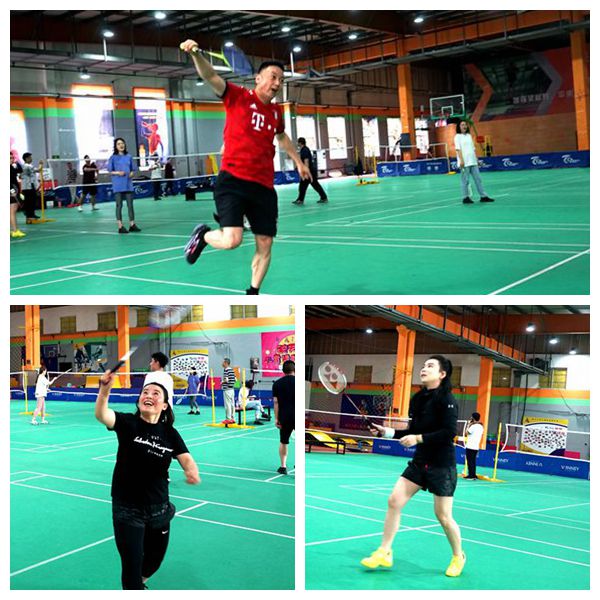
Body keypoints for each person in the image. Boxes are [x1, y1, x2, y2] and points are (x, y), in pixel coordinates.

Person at [180, 39, 311, 295]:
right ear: (258, 78)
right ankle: (203, 235)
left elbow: (282, 137)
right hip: (233, 180)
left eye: (281, 80)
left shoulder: (276, 113)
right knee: (232, 240)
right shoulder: (237, 96)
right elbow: (210, 76)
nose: (277, 84)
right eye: (273, 77)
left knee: (265, 242)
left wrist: (298, 162)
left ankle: (253, 292)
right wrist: (195, 54)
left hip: (263, 187)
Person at [360, 355, 466, 577]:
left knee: (443, 516)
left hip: (441, 464)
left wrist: (418, 439)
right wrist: (386, 432)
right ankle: (385, 551)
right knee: (394, 501)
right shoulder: (418, 399)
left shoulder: (447, 399)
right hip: (420, 461)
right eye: (424, 365)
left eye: (430, 366)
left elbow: (449, 432)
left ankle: (458, 556)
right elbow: (413, 430)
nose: (423, 369)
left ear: (442, 374)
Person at [94, 369, 200, 590]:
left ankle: (139, 584)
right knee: (131, 567)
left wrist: (191, 471)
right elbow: (102, 414)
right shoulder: (127, 423)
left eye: (155, 393)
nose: (149, 395)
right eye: (145, 392)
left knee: (153, 562)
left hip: (159, 509)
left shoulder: (170, 433)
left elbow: (186, 457)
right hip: (128, 509)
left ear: (165, 406)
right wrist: (105, 390)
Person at [454, 120, 494, 204]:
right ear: (459, 127)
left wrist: (476, 159)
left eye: (465, 125)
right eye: (462, 125)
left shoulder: (469, 136)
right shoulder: (457, 137)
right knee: (465, 181)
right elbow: (458, 149)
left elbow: (473, 149)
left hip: (473, 162)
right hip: (465, 163)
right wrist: (461, 160)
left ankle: (483, 196)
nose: (464, 126)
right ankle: (465, 198)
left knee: (478, 179)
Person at [108, 138, 141, 233]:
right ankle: (120, 226)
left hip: (128, 184)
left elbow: (134, 169)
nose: (121, 145)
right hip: (118, 185)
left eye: (122, 143)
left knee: (130, 205)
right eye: (118, 144)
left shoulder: (129, 156)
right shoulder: (113, 157)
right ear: (115, 146)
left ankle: (132, 225)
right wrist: (118, 173)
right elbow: (110, 171)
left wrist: (132, 173)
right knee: (119, 205)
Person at [272, 360, 295, 475]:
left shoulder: (277, 384)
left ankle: (283, 466)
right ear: (294, 370)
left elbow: (276, 402)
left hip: (284, 416)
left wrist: (276, 418)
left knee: (283, 441)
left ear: (283, 371)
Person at [292, 138, 328, 205]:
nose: (297, 144)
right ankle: (324, 197)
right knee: (315, 185)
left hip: (309, 172)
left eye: (298, 142)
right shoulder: (303, 149)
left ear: (300, 143)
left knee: (302, 186)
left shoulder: (305, 150)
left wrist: (306, 171)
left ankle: (300, 200)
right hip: (310, 171)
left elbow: (306, 161)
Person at [21, 152, 41, 222]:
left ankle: (32, 214)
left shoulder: (27, 166)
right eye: (30, 157)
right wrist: (41, 164)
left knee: (32, 200)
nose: (31, 159)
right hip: (27, 186)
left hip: (30, 185)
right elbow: (38, 170)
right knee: (29, 201)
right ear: (26, 158)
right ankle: (29, 215)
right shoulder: (27, 166)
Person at [464, 412, 484, 480]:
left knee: (470, 461)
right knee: (473, 461)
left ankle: (471, 475)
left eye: (471, 417)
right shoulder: (481, 426)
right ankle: (473, 474)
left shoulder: (473, 426)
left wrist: (468, 424)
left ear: (473, 418)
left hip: (470, 446)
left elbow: (467, 433)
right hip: (476, 446)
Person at [10, 152, 26, 238]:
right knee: (12, 211)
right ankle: (15, 231)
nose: (11, 159)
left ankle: (13, 230)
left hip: (14, 189)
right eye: (10, 158)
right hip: (11, 191)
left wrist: (16, 162)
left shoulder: (11, 167)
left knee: (11, 211)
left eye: (12, 157)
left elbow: (20, 171)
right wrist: (12, 191)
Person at [221, 358, 236, 425]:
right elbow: (235, 379)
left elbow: (226, 380)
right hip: (232, 389)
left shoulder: (226, 370)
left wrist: (222, 382)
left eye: (223, 362)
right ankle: (233, 418)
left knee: (227, 405)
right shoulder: (232, 370)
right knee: (232, 404)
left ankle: (228, 419)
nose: (222, 363)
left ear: (226, 363)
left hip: (227, 389)